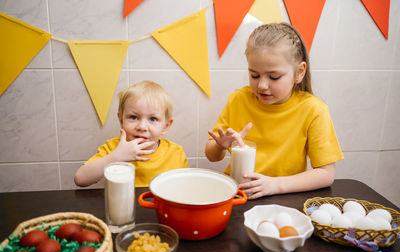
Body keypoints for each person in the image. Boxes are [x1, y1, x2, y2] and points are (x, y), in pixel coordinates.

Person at [205, 23, 343, 199]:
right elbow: (212, 156)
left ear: (299, 73)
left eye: (274, 77)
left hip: (285, 197)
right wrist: (219, 145)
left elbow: (326, 174)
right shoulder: (238, 100)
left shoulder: (314, 110)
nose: (262, 85)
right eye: (254, 75)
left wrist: (275, 185)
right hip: (239, 196)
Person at [74, 80, 188, 187]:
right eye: (134, 117)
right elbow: (80, 179)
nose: (142, 127)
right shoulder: (114, 148)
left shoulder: (175, 153)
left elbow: (184, 188)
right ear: (121, 120)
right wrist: (116, 157)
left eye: (153, 119)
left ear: (165, 126)